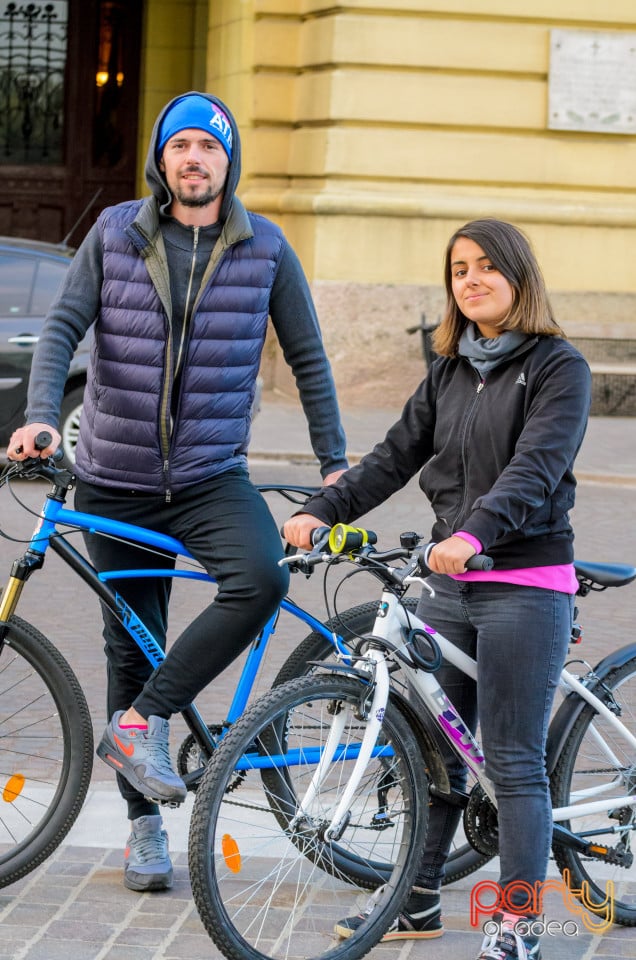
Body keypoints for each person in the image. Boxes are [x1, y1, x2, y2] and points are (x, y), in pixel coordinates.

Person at [8, 91, 348, 893]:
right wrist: (39, 419)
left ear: (228, 162)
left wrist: (336, 462)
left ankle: (141, 721)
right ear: (161, 160)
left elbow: (309, 357)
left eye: (209, 146)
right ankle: (143, 826)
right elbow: (62, 330)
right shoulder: (115, 231)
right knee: (131, 644)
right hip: (114, 482)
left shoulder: (265, 246)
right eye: (180, 145)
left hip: (208, 478)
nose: (193, 158)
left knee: (260, 576)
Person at [283, 218, 592, 960]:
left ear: (519, 276)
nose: (472, 279)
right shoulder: (451, 370)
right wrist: (323, 510)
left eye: (487, 266)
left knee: (512, 759)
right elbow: (395, 456)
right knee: (432, 754)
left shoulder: (559, 367)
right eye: (459, 270)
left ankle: (520, 925)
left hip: (523, 580)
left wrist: (473, 533)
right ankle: (415, 906)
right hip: (451, 584)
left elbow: (535, 469)